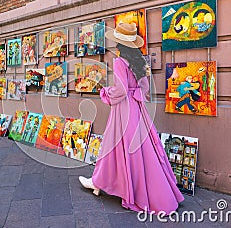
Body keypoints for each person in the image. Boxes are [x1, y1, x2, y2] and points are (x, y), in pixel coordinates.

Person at [79, 22, 184, 214]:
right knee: (141, 149)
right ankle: (147, 190)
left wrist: (105, 92)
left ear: (119, 43)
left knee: (115, 145)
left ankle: (100, 182)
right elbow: (143, 88)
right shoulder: (140, 61)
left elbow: (119, 90)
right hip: (137, 108)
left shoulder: (119, 62)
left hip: (123, 109)